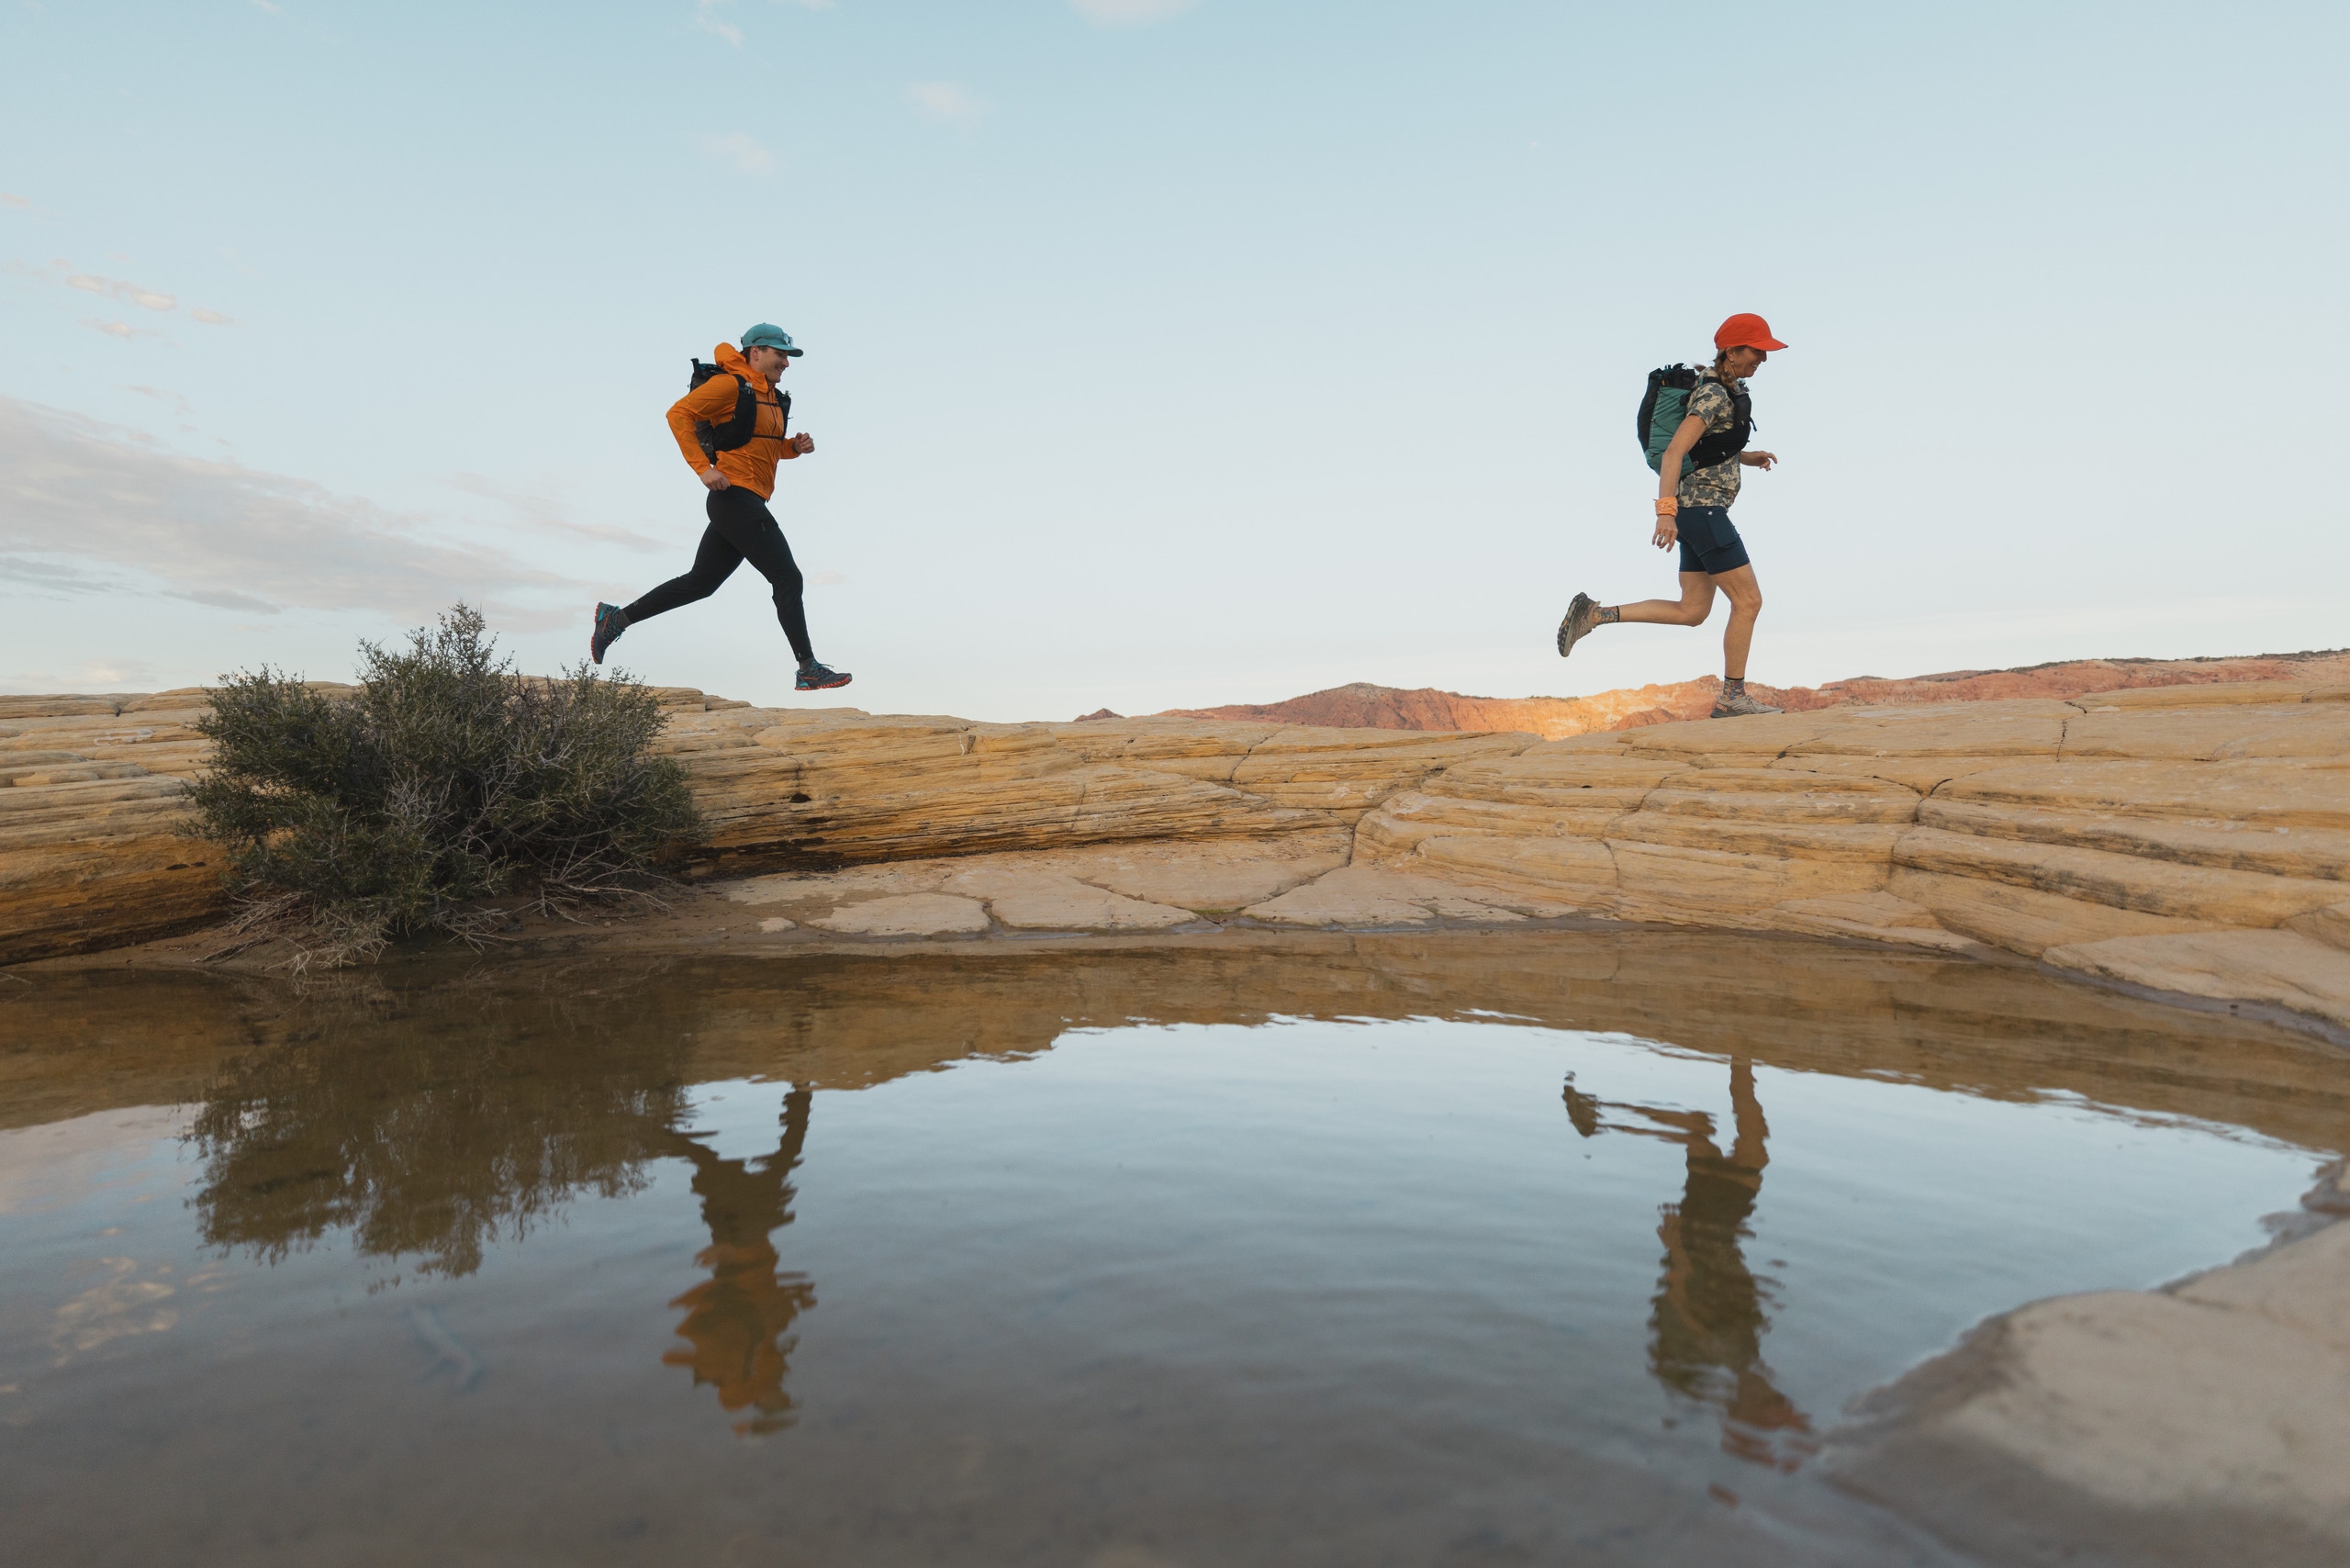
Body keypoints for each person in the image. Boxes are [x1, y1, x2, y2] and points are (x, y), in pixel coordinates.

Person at [589, 323, 851, 691]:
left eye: (788, 356)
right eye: (780, 354)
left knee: (701, 583)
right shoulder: (730, 385)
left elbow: (765, 447)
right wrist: (703, 468)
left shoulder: (772, 398)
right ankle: (807, 668)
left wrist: (793, 446)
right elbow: (677, 414)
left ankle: (615, 620)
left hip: (746, 498)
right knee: (787, 577)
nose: (786, 363)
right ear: (755, 352)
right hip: (733, 497)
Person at [1555, 314, 1785, 719]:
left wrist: (1746, 457)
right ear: (1731, 351)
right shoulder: (1713, 395)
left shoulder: (1722, 391)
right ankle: (1733, 698)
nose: (1762, 359)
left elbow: (1706, 449)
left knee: (1692, 611)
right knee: (1749, 601)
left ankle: (1595, 614)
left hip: (1698, 513)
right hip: (1703, 511)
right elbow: (1675, 453)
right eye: (1756, 351)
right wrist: (1666, 512)